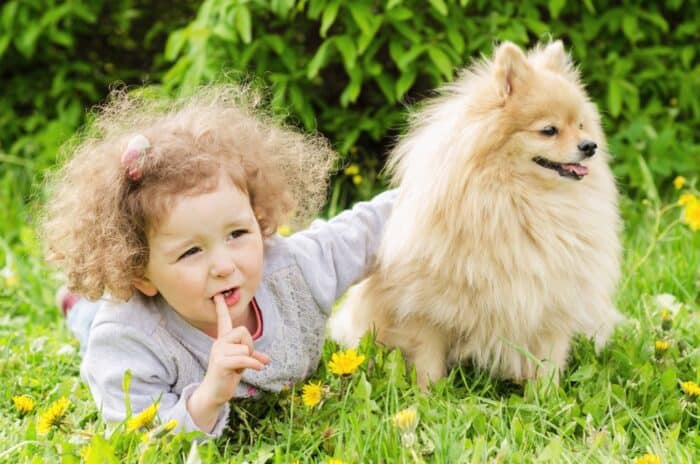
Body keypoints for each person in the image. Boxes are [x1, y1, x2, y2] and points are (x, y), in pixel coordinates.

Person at [41, 85, 395, 437]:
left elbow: (371, 228)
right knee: (92, 320)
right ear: (141, 273)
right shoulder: (128, 343)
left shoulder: (294, 269)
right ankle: (78, 308)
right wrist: (209, 396)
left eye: (238, 234)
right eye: (191, 251)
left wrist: (438, 185)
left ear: (259, 220)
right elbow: (145, 438)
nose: (224, 264)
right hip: (126, 323)